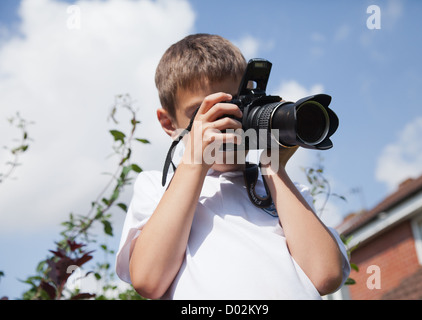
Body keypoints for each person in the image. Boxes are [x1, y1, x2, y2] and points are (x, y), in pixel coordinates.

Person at [115, 33, 350, 299]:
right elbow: (148, 279)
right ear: (169, 124)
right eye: (204, 112)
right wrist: (195, 163)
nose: (224, 122)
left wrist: (273, 167)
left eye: (235, 106)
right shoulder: (158, 187)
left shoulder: (281, 189)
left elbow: (325, 275)